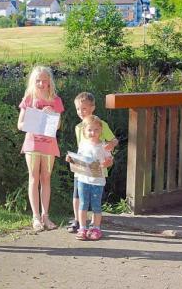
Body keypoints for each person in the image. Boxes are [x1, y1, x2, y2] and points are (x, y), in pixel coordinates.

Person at [16, 65, 65, 231]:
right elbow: (20, 124)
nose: (41, 84)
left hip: (49, 144)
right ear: (33, 81)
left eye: (45, 80)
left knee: (46, 179)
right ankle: (35, 217)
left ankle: (46, 216)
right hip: (32, 144)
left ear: (50, 81)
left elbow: (57, 126)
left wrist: (50, 112)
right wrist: (36, 116)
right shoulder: (29, 98)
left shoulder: (56, 100)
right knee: (33, 178)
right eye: (38, 81)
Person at [67, 92, 118, 233]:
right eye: (78, 109)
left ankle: (94, 226)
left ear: (92, 108)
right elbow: (81, 149)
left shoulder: (100, 125)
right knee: (77, 195)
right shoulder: (78, 127)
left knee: (94, 200)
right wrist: (74, 160)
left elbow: (114, 140)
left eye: (84, 109)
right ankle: (78, 221)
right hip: (81, 168)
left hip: (97, 169)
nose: (81, 112)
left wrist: (111, 145)